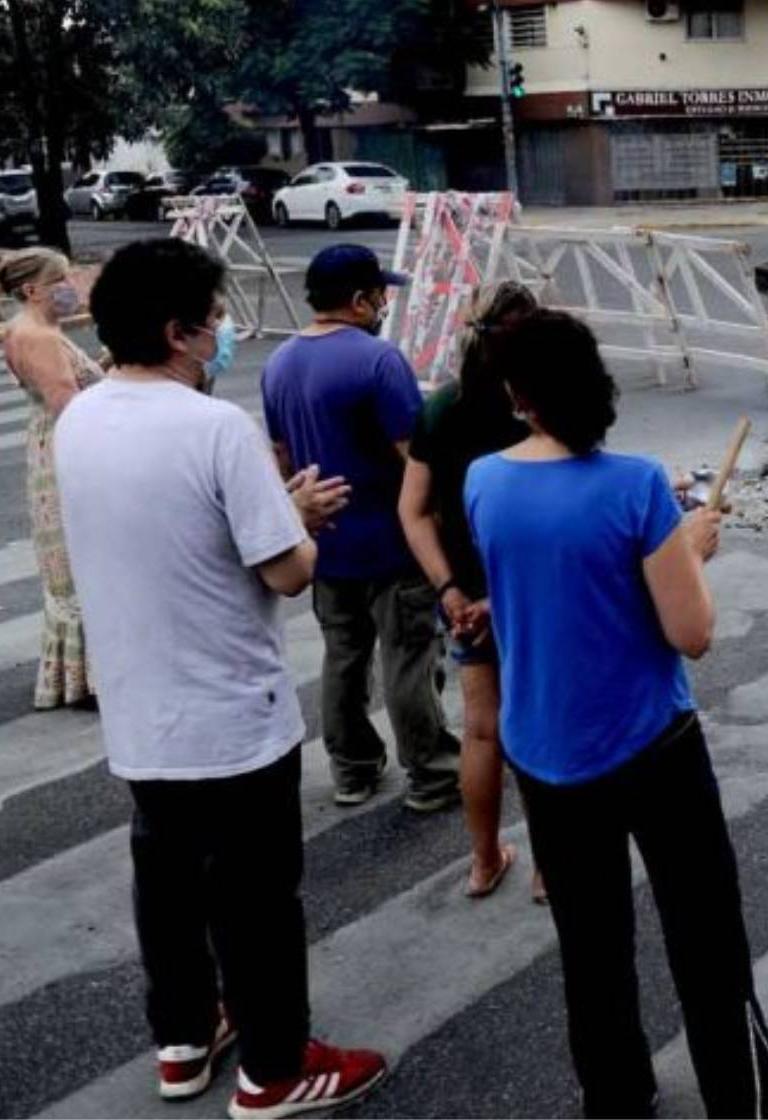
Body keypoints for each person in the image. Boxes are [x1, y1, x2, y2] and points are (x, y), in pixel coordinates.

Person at [465, 309, 768, 1120]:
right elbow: (690, 634)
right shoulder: (633, 487)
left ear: (519, 397)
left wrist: (660, 542)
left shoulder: (483, 479)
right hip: (649, 746)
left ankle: (617, 1098)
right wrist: (688, 550)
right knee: (704, 934)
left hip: (544, 750)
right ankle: (746, 1096)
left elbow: (556, 575)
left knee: (591, 948)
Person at [53, 237, 384, 1117]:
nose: (223, 333)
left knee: (166, 888)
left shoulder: (79, 417)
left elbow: (164, 538)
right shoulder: (213, 429)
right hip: (231, 713)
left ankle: (185, 1039)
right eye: (215, 318)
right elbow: (287, 571)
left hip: (140, 713)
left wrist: (273, 513)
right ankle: (276, 1069)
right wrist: (296, 517)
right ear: (179, 331)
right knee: (257, 903)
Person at [262, 244, 461, 810]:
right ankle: (431, 771)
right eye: (379, 295)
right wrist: (445, 530)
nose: (383, 304)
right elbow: (412, 455)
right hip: (392, 542)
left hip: (325, 542)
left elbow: (281, 459)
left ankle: (351, 768)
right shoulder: (379, 360)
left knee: (343, 656)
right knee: (409, 657)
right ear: (358, 301)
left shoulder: (278, 363)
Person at [398, 281, 540, 900]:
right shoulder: (536, 407)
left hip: (465, 594)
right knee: (537, 723)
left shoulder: (442, 408)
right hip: (532, 591)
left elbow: (414, 510)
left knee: (482, 730)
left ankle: (483, 862)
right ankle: (550, 870)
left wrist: (450, 589)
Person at [1, 248, 99, 710]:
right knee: (82, 553)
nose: (69, 285)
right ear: (31, 289)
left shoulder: (32, 329)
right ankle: (91, 674)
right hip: (67, 447)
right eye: (59, 279)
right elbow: (70, 405)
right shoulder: (36, 335)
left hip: (51, 443)